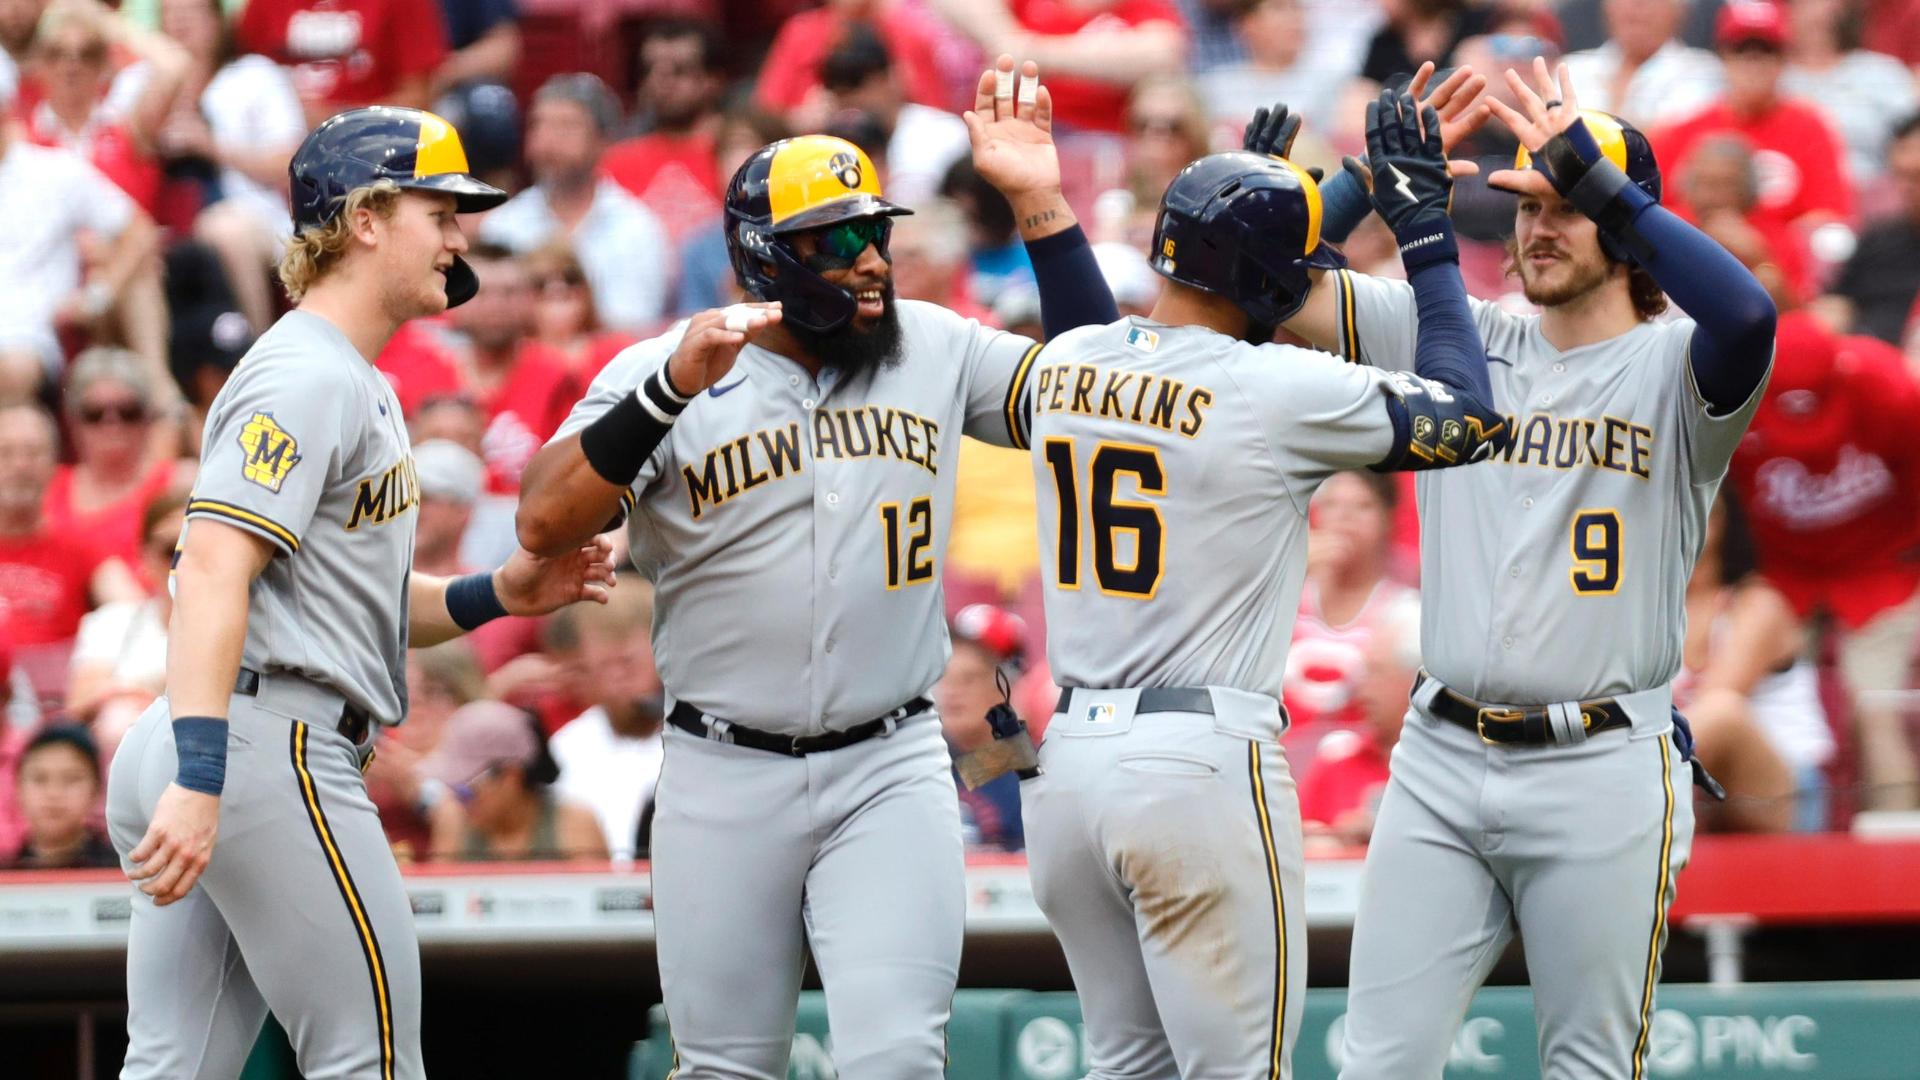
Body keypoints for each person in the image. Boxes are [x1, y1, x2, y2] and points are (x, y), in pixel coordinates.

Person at [514, 57, 1119, 1079]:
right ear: (763, 257)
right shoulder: (668, 370)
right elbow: (540, 520)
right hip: (722, 767)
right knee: (722, 1067)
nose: (871, 258)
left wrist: (1040, 202)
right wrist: (663, 396)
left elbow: (1105, 393)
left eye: (874, 231)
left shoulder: (934, 345)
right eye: (837, 240)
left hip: (889, 762)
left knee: (897, 1061)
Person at [1278, 60, 1777, 1077]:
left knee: (1590, 1066)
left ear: (1625, 228)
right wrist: (1363, 182)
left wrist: (1613, 192)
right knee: (1374, 1062)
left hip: (1601, 763)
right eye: (1523, 206)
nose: (1536, 228)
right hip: (1440, 755)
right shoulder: (1463, 333)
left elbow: (1750, 319)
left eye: (1565, 208)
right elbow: (1267, 285)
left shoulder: (1673, 362)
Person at [104, 106, 616, 1080]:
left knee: (176, 1070)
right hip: (262, 746)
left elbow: (357, 601)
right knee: (368, 1060)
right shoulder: (305, 372)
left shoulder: (349, 372)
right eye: (442, 210)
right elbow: (213, 565)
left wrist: (502, 588)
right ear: (368, 218)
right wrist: (207, 775)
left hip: (228, 729)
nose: (460, 236)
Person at [1015, 79, 1508, 1076]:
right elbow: (1468, 416)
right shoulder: (1274, 387)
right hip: (1197, 760)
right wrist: (1421, 234)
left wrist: (1312, 197)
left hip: (1064, 769)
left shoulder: (1065, 360)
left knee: (1127, 1067)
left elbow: (1245, 291)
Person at [1726, 312, 1920, 812]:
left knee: (1874, 708)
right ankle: (1783, 850)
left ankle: (1892, 854)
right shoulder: (1733, 397)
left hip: (1880, 569)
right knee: (1755, 707)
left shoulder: (1890, 388)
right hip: (1783, 577)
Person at [0, 57, 161, 405]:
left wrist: (97, 297)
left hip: (27, 336)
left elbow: (138, 232)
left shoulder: (53, 170)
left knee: (12, 368)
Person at [1678, 493, 1828, 833]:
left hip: (1785, 791)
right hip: (1693, 790)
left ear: (1718, 523)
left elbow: (1710, 706)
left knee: (1722, 711)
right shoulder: (1645, 616)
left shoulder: (1758, 604)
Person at [154, 0, 306, 337]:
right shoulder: (140, 82)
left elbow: (289, 164)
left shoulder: (254, 75)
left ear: (217, 21)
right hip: (160, 219)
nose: (180, 22)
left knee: (225, 229)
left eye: (191, 12)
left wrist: (210, 145)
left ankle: (256, 351)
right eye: (170, 12)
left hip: (253, 217)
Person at [479, 73, 672, 334]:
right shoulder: (504, 224)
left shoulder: (636, 228)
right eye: (538, 125)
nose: (547, 140)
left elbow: (633, 331)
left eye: (566, 126)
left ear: (603, 141)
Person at [1654, 2, 1855, 241]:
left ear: (1784, 59)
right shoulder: (1685, 130)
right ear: (1722, 56)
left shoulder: (1810, 128)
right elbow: (1653, 211)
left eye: (1766, 49)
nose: (1753, 60)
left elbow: (1828, 216)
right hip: (1695, 255)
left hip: (1780, 266)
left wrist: (1760, 240)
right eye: (1741, 49)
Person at [0, 403, 143, 708]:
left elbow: (132, 609)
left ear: (55, 464)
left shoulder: (80, 544)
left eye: (33, 453)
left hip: (54, 705)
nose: (20, 465)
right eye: (7, 453)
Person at [1284, 471, 1420, 733]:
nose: (1344, 517)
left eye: (1362, 507)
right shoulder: (1287, 591)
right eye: (1332, 504)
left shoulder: (1404, 613)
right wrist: (1288, 573)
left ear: (1387, 518)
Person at [546, 573, 664, 861]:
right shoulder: (569, 746)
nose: (617, 679)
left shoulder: (697, 740)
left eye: (628, 663)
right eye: (603, 665)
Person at [45, 347, 188, 570]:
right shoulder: (47, 486)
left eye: (127, 412)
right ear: (73, 421)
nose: (112, 424)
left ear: (148, 417)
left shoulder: (180, 482)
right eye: (95, 413)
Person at [66, 492, 183, 749]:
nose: (180, 564)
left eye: (193, 549)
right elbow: (80, 703)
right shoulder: (113, 621)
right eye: (170, 550)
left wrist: (125, 690)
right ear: (145, 555)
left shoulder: (242, 627)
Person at [422, 699, 606, 861]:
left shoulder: (574, 826)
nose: (459, 801)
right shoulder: (455, 823)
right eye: (452, 789)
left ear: (511, 777)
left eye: (466, 791)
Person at [601, 18, 727, 248]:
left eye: (679, 70)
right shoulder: (615, 162)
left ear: (714, 80)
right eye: (650, 69)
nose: (662, 81)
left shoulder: (734, 156)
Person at [1783, 0, 1918, 185]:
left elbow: (1912, 135)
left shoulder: (1881, 72)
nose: (1817, 12)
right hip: (1785, 192)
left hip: (1871, 193)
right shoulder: (1765, 73)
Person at [1817, 114, 1920, 346]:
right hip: (1861, 359)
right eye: (1901, 175)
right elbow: (1836, 301)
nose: (1907, 188)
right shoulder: (1878, 238)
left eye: (1917, 176)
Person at [934, 602, 1028, 851]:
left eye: (969, 679)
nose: (953, 692)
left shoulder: (1026, 771)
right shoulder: (928, 759)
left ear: (1005, 687)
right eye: (945, 678)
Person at [1560, 0, 1722, 128]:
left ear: (1680, 11)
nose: (1636, 5)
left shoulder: (1703, 70)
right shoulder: (1572, 67)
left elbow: (1671, 136)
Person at [6, 726, 120, 869]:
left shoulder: (119, 869)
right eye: (40, 779)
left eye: (71, 779)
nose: (54, 793)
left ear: (96, 790)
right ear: (18, 788)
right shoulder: (7, 869)